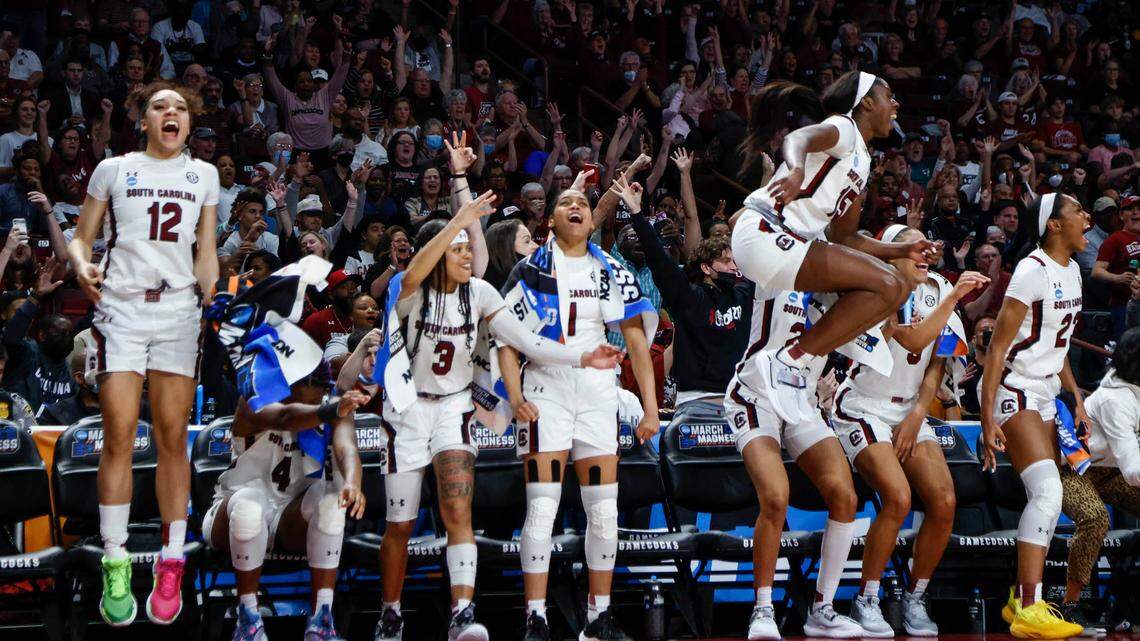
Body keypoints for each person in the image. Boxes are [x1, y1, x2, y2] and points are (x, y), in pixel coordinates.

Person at [372, 184, 622, 641]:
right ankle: (390, 612)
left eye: (470, 250)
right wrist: (455, 221)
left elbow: (528, 342)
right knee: (401, 524)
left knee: (457, 509)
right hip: (408, 410)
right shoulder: (408, 293)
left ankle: (462, 613)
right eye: (460, 251)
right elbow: (411, 276)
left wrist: (583, 358)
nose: (469, 258)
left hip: (453, 408)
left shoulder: (482, 293)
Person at [67, 81, 219, 628]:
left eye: (179, 107)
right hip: (122, 310)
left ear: (188, 121)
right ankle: (115, 557)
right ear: (145, 120)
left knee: (174, 435)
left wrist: (213, 292)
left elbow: (205, 251)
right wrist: (81, 265)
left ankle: (172, 557)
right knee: (119, 430)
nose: (170, 112)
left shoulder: (204, 175)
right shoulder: (114, 169)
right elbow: (82, 237)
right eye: (160, 106)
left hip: (179, 312)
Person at [499, 180, 660, 641]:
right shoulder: (532, 269)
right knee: (542, 509)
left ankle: (599, 618)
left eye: (583, 204)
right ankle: (536, 617)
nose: (576, 207)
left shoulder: (611, 270)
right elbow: (506, 339)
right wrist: (514, 397)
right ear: (550, 220)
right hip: (545, 390)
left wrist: (650, 409)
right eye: (566, 203)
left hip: (596, 394)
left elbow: (635, 343)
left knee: (604, 512)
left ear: (593, 220)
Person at [730, 71, 934, 426]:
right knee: (887, 285)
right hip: (767, 230)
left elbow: (846, 238)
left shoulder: (862, 159)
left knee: (895, 288)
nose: (896, 104)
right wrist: (794, 170)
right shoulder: (843, 128)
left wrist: (903, 251)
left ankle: (797, 359)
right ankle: (790, 359)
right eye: (889, 96)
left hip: (787, 245)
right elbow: (798, 137)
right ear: (867, 102)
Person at [832, 224, 988, 637]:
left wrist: (920, 413)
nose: (923, 255)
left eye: (925, 249)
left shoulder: (938, 286)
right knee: (898, 498)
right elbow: (910, 339)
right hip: (861, 405)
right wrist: (957, 297)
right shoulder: (872, 288)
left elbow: (939, 358)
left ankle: (914, 597)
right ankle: (865, 598)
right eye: (912, 250)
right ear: (890, 255)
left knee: (944, 501)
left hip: (909, 411)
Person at [980, 193, 1090, 639]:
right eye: (1078, 211)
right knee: (1047, 493)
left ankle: (1020, 597)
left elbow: (1057, 343)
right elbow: (997, 349)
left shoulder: (1075, 270)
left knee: (1044, 498)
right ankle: (1029, 607)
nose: (1086, 216)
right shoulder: (1031, 270)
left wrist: (1075, 395)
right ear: (1055, 226)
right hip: (1015, 389)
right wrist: (987, 419)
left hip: (1047, 392)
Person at [203, 364, 368, 641]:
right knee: (250, 506)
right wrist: (326, 411)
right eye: (312, 389)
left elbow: (346, 447)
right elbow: (285, 417)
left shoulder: (330, 407)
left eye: (323, 392)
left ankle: (321, 620)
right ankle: (248, 619)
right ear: (290, 385)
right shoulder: (254, 404)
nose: (319, 398)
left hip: (287, 517)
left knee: (330, 501)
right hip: (233, 508)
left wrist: (352, 482)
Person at [1057, 327, 1140, 633]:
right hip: (1075, 469)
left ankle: (1127, 597)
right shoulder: (1115, 400)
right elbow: (1133, 471)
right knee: (1094, 518)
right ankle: (1070, 606)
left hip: (1110, 471)